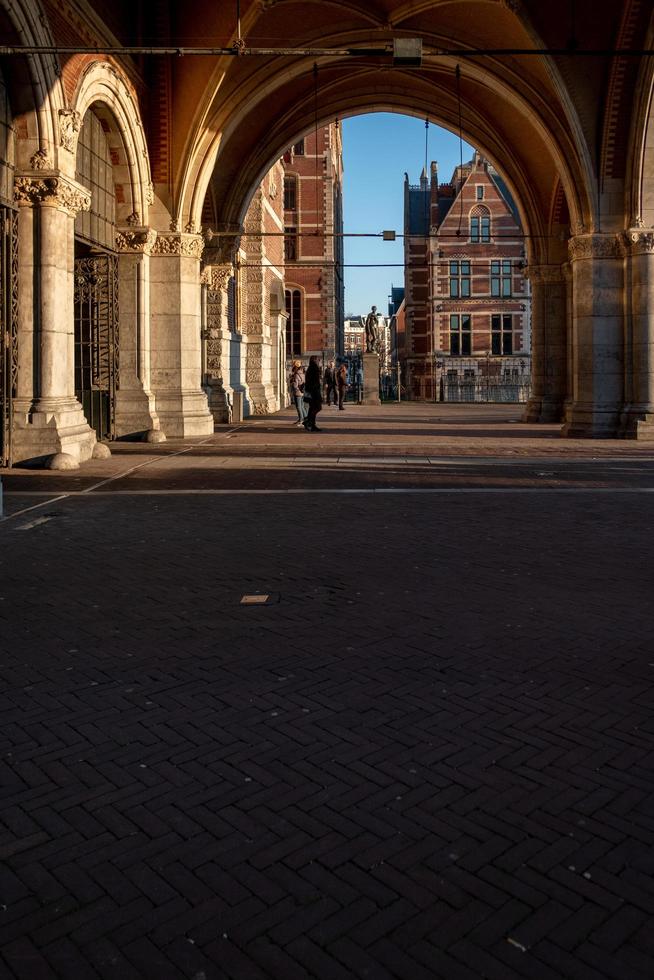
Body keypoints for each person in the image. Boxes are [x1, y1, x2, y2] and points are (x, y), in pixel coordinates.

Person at [303, 355, 323, 431]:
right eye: (318, 360)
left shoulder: (310, 368)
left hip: (311, 391)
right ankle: (308, 421)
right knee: (318, 407)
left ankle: (312, 424)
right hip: (314, 391)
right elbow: (315, 381)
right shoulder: (315, 368)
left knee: (312, 408)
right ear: (315, 360)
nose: (319, 361)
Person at [288, 360, 306, 426]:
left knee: (298, 407)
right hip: (302, 391)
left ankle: (301, 420)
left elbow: (295, 385)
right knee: (302, 406)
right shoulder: (302, 373)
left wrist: (292, 382)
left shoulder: (296, 375)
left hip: (297, 392)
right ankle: (305, 419)